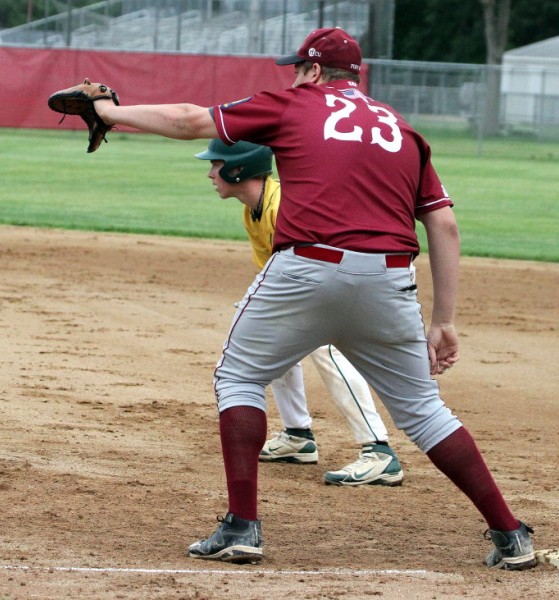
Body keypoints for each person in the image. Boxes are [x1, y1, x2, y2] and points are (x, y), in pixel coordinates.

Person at [91, 26, 535, 570]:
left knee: (238, 377)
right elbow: (443, 224)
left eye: (298, 69)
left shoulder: (294, 104)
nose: (293, 78)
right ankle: (510, 534)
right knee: (423, 411)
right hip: (391, 280)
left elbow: (190, 120)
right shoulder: (402, 129)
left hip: (309, 267)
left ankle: (242, 527)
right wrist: (443, 319)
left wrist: (112, 112)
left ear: (316, 72)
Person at [195, 139, 404, 487]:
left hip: (352, 276)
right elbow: (272, 269)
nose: (209, 173)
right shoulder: (254, 210)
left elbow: (316, 265)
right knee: (265, 337)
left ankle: (380, 452)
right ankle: (298, 436)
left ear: (238, 169)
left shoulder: (284, 208)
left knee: (325, 351)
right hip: (321, 278)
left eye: (215, 165)